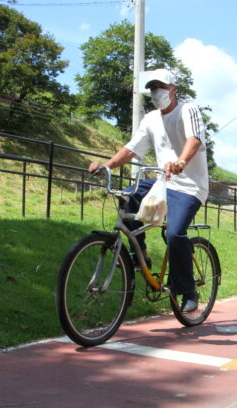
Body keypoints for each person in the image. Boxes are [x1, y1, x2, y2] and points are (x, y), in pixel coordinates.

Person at [88, 68, 208, 313]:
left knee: (174, 235)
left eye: (161, 87)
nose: (156, 92)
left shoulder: (188, 110)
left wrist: (181, 162)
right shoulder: (151, 118)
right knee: (128, 198)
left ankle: (188, 291)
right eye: (152, 88)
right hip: (162, 182)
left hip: (189, 186)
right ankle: (139, 253)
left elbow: (194, 140)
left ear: (173, 89)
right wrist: (106, 165)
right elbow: (132, 149)